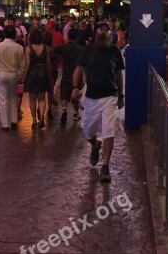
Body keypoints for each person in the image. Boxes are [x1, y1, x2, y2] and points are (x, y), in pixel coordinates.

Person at [72, 21, 124, 184]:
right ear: (96, 32)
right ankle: (95, 146)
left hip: (109, 96)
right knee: (87, 130)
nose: (103, 31)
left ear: (110, 33)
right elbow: (78, 70)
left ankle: (105, 167)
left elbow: (119, 75)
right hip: (91, 98)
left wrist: (121, 96)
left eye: (106, 29)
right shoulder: (88, 50)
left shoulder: (115, 51)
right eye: (100, 29)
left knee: (109, 130)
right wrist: (75, 87)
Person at [0, 25, 25, 131]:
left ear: (4, 34)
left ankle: (5, 124)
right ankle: (14, 120)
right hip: (14, 73)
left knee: (2, 99)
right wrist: (21, 75)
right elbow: (22, 65)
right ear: (14, 34)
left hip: (1, 73)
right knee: (14, 97)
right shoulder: (19, 47)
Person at [23, 28, 52, 129]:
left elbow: (27, 64)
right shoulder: (46, 48)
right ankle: (42, 118)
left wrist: (23, 77)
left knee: (32, 99)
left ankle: (34, 120)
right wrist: (50, 75)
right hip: (43, 71)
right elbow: (48, 63)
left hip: (32, 72)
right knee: (42, 98)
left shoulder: (28, 48)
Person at [52, 27, 83, 123]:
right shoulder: (80, 49)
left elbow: (53, 49)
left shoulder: (63, 47)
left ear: (68, 37)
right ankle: (75, 113)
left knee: (64, 94)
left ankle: (64, 108)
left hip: (65, 73)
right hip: (77, 75)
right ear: (77, 37)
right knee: (76, 95)